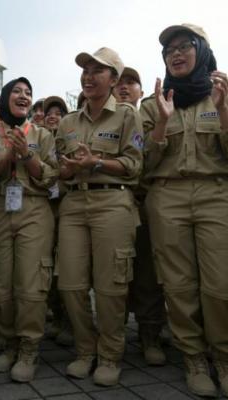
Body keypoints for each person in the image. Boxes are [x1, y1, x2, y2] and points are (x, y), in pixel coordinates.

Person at [141, 23, 228, 397]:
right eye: (168, 50)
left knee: (220, 284)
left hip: (216, 194)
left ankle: (223, 358)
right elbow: (142, 161)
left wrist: (225, 114)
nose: (175, 54)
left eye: (184, 47)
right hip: (167, 197)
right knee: (178, 284)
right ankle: (193, 358)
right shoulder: (153, 103)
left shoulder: (223, 94)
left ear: (202, 51)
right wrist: (161, 122)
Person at [55, 47, 143, 386]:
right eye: (85, 70)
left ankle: (109, 355)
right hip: (74, 205)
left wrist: (97, 163)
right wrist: (67, 168)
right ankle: (84, 351)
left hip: (113, 204)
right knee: (72, 283)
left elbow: (135, 165)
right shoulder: (67, 122)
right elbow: (59, 171)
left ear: (114, 80)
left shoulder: (126, 116)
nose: (88, 76)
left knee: (111, 287)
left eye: (98, 70)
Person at [0, 77, 58, 382]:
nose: (23, 96)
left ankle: (29, 349)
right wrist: (7, 158)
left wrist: (27, 155)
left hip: (34, 209)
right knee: (0, 286)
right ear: (5, 97)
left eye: (28, 93)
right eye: (17, 91)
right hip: (0, 208)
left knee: (30, 284)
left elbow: (51, 176)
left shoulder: (42, 134)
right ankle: (9, 344)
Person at [112, 67, 167, 367]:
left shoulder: (153, 114)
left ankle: (150, 335)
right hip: (111, 203)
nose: (123, 87)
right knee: (114, 273)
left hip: (144, 201)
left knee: (147, 274)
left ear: (141, 91)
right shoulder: (103, 119)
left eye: (131, 82)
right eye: (118, 82)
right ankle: (113, 335)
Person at [42, 95, 74, 348]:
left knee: (66, 267)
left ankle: (72, 322)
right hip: (43, 209)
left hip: (67, 208)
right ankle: (58, 316)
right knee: (47, 267)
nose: (53, 116)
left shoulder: (71, 140)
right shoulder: (37, 140)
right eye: (49, 112)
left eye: (59, 112)